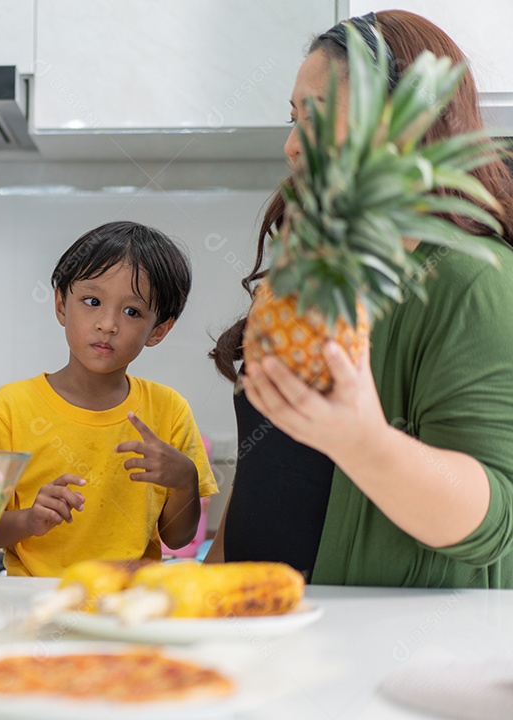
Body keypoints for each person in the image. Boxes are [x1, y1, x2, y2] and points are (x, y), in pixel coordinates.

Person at [207, 10, 513, 587]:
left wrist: (365, 441)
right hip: (259, 624)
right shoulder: (307, 269)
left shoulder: (474, 281)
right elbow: (265, 466)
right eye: (292, 119)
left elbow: (495, 518)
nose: (292, 145)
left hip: (377, 647)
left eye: (315, 119)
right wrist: (205, 578)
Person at [0, 221, 218, 577]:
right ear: (60, 304)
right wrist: (29, 520)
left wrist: (185, 481)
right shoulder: (10, 408)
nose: (107, 324)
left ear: (159, 330)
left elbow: (178, 539)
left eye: (132, 312)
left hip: (129, 604)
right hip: (36, 602)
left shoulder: (169, 410)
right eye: (92, 301)